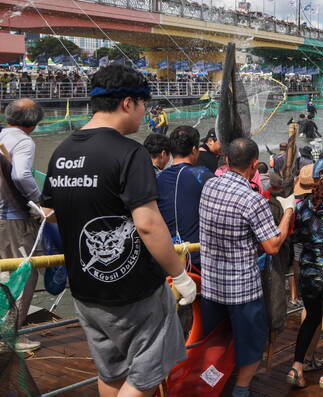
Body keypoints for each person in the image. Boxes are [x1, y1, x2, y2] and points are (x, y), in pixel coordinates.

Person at [41, 65, 197, 395]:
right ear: (128, 103)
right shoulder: (129, 153)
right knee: (145, 375)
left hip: (85, 288)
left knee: (111, 370)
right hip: (132, 291)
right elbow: (148, 224)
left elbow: (50, 213)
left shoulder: (63, 152)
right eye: (143, 105)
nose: (145, 113)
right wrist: (180, 275)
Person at [199, 137, 295, 397]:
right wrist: (287, 212)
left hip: (211, 284)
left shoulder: (209, 186)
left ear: (227, 160)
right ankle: (241, 389)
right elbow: (272, 245)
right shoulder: (253, 200)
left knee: (216, 341)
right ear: (254, 165)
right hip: (241, 288)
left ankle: (212, 384)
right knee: (252, 342)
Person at [286, 159, 323, 390]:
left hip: (309, 272)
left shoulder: (302, 206)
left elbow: (296, 238)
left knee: (310, 318)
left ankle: (296, 366)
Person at [0, 98, 44, 352]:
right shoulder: (23, 141)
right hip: (13, 219)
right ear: (34, 122)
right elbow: (21, 174)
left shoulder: (3, 136)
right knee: (24, 274)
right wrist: (38, 203)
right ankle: (10, 336)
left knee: (4, 273)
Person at [156, 126, 215, 269]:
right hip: (198, 257)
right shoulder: (203, 175)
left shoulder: (158, 178)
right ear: (195, 150)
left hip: (167, 257)